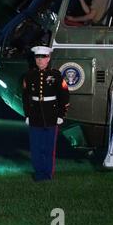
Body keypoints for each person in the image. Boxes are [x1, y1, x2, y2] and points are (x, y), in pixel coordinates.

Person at [22, 46, 70, 182]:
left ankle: (47, 173)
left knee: (49, 148)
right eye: (37, 58)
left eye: (43, 58)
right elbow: (25, 97)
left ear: (48, 58)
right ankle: (38, 173)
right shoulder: (29, 75)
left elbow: (64, 95)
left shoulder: (56, 75)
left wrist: (61, 115)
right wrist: (27, 115)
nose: (40, 60)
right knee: (35, 147)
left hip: (51, 115)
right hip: (35, 115)